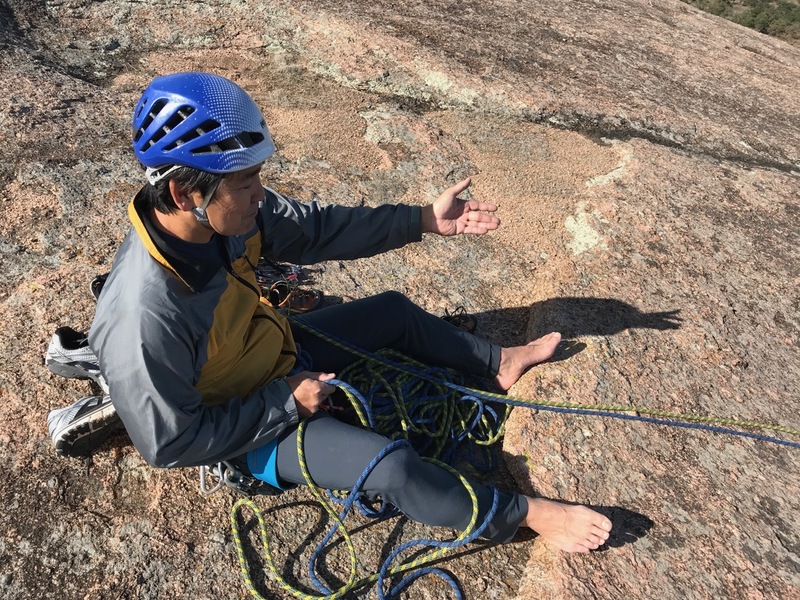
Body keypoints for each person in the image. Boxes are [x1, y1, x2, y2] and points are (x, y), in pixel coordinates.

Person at [47, 72, 612, 552]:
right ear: (182, 194)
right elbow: (169, 444)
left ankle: (496, 360)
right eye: (246, 183)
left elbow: (316, 227)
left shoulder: (221, 218)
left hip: (275, 350)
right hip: (247, 428)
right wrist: (283, 401)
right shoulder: (146, 316)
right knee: (390, 466)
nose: (261, 195)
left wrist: (420, 219)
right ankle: (526, 513)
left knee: (391, 310)